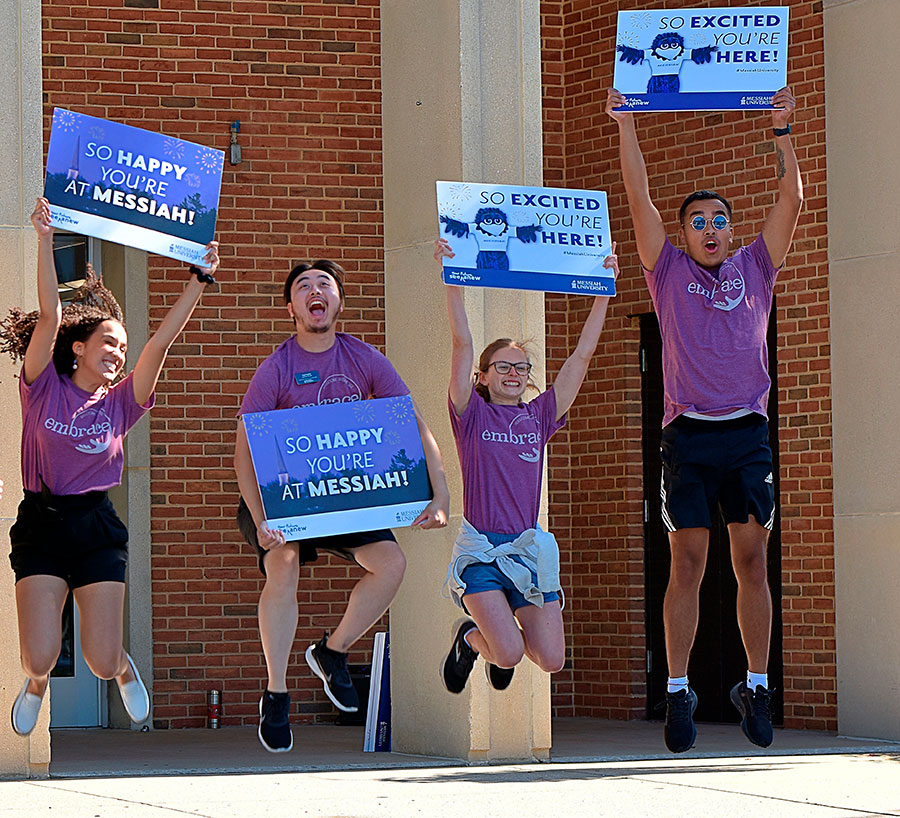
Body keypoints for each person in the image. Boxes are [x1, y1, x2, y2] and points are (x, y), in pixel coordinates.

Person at [605, 86, 803, 752]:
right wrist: (627, 125)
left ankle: (755, 685)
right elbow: (639, 199)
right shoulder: (666, 272)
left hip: (746, 436)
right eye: (699, 221)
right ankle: (679, 690)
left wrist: (779, 132)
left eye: (719, 219)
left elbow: (792, 201)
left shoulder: (756, 266)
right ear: (685, 233)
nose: (711, 228)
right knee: (687, 564)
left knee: (752, 562)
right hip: (687, 438)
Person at [2, 196, 218, 736]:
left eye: (123, 347)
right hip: (43, 524)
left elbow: (161, 342)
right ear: (77, 348)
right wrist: (46, 237)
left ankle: (122, 668)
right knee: (40, 656)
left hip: (97, 526)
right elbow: (50, 315)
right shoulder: (42, 389)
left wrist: (199, 280)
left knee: (99, 660)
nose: (119, 353)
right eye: (109, 343)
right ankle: (35, 684)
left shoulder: (121, 404)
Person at [233, 258, 450, 753]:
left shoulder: (364, 359)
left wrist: (440, 495)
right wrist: (262, 518)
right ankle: (276, 693)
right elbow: (244, 449)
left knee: (391, 564)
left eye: (325, 284)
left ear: (338, 302)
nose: (316, 291)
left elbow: (413, 426)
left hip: (346, 497)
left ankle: (331, 653)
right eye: (304, 286)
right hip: (281, 499)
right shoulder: (276, 369)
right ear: (291, 306)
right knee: (283, 562)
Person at [436, 237, 617, 694]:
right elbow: (460, 344)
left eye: (521, 368)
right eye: (503, 367)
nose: (514, 374)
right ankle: (473, 640)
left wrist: (602, 293)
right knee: (511, 653)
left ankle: (494, 642)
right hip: (481, 552)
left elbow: (580, 359)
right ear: (483, 376)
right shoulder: (469, 414)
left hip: (528, 551)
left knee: (551, 660)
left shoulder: (538, 416)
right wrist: (453, 283)